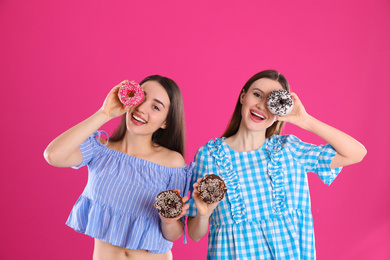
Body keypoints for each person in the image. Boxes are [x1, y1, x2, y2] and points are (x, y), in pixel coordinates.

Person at [186, 70, 367, 259]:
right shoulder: (209, 155)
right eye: (257, 94)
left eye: (272, 101)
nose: (261, 105)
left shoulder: (289, 150)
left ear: (280, 110)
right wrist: (204, 215)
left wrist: (305, 120)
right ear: (242, 96)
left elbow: (356, 153)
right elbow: (194, 234)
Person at [44, 75, 194, 260]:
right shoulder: (100, 149)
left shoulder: (173, 163)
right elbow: (53, 155)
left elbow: (174, 234)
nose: (141, 108)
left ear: (166, 122)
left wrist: (168, 220)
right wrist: (104, 113)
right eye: (141, 97)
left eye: (155, 107)